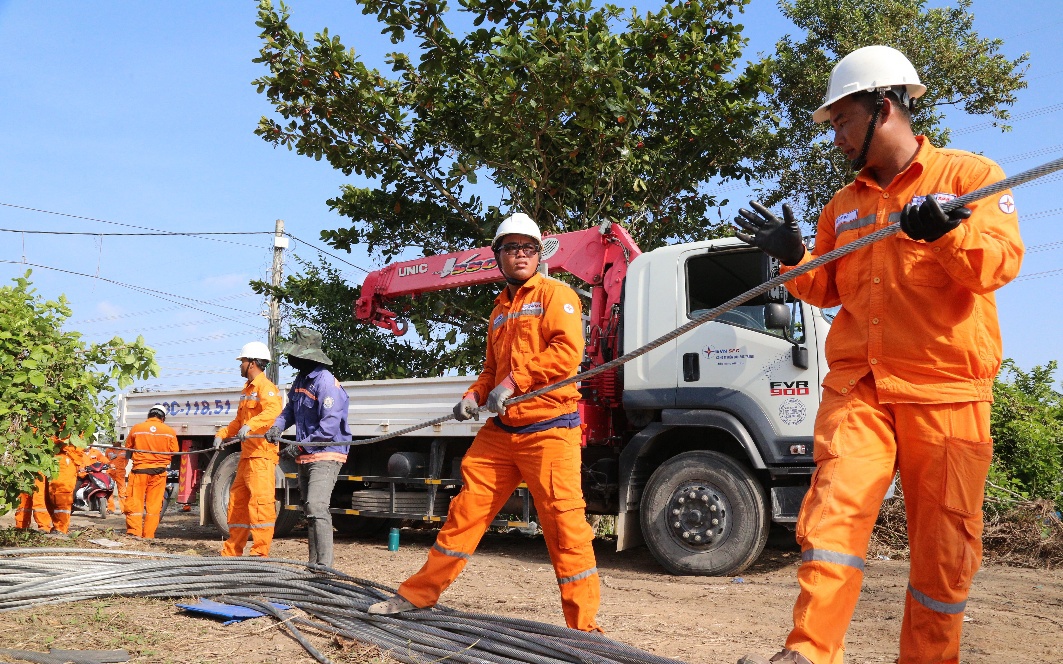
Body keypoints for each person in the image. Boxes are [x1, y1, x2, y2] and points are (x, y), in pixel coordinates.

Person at [733, 45, 1023, 664]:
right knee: (831, 521)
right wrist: (791, 259)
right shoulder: (844, 206)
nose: (834, 136)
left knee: (943, 553)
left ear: (882, 106)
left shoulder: (969, 178)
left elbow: (998, 265)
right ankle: (810, 653)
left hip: (946, 393)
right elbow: (827, 288)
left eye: (841, 121)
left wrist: (949, 232)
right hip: (859, 388)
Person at [367, 213, 601, 632]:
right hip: (503, 432)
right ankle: (418, 596)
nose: (521, 255)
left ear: (539, 254)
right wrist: (472, 396)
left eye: (528, 247)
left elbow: (567, 352)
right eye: (511, 248)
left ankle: (583, 632)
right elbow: (491, 371)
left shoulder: (557, 295)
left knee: (566, 527)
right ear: (498, 256)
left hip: (549, 429)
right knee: (463, 514)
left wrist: (516, 381)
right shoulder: (498, 312)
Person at [265, 327, 351, 567]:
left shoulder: (326, 383)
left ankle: (324, 568)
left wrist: (300, 447)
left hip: (326, 453)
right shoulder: (301, 380)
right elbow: (290, 410)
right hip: (307, 454)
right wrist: (277, 427)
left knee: (316, 506)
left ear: (307, 356)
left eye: (294, 354)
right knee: (309, 510)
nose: (290, 359)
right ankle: (314, 566)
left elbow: (329, 427)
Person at [215, 341, 283, 557]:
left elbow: (273, 411)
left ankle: (259, 554)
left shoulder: (266, 388)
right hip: (247, 456)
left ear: (252, 363)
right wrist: (222, 434)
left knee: (260, 504)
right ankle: (232, 551)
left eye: (242, 361)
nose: (240, 365)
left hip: (261, 456)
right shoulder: (247, 390)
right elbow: (239, 421)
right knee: (238, 504)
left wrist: (251, 425)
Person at [123, 404, 178, 539]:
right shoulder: (169, 431)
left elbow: (128, 448)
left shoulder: (137, 428)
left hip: (139, 471)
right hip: (159, 473)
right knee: (154, 506)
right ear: (163, 417)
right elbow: (175, 451)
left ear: (149, 415)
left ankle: (134, 532)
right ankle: (148, 534)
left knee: (135, 503)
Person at [47, 439, 84, 534]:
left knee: (62, 495)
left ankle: (61, 528)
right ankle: (57, 527)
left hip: (67, 457)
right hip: (55, 456)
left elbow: (64, 436)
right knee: (52, 496)